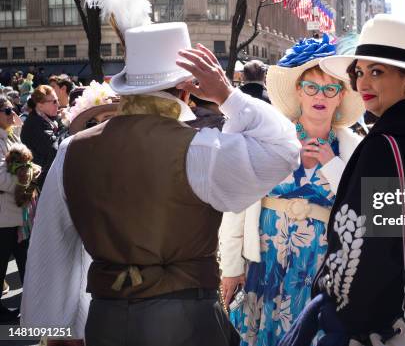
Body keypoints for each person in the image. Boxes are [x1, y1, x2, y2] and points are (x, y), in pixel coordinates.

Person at [21, 21, 301, 345]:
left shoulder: (73, 149)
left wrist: (55, 330)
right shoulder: (199, 149)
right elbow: (284, 149)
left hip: (107, 316)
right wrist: (226, 94)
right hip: (190, 319)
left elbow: (52, 246)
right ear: (186, 89)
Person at [280, 15, 405, 346]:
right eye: (359, 72)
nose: (363, 83)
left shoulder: (388, 146)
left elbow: (365, 252)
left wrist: (336, 308)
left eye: (377, 72)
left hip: (386, 329)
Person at [219, 35, 364, 346]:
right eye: (311, 86)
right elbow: (237, 205)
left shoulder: (353, 147)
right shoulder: (270, 139)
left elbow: (362, 208)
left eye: (330, 88)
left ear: (340, 97)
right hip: (264, 263)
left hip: (319, 269)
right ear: (299, 92)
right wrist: (231, 267)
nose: (319, 95)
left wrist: (331, 164)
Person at [0, 96, 31, 323]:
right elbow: (1, 178)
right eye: (8, 110)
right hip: (4, 215)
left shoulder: (8, 134)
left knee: (25, 260)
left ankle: (32, 304)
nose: (13, 114)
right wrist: (26, 179)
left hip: (16, 214)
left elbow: (23, 161)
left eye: (14, 109)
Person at [20, 85, 61, 186]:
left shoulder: (45, 118)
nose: (58, 104)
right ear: (40, 105)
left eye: (57, 100)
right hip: (43, 180)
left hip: (48, 174)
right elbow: (54, 149)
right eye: (54, 101)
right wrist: (65, 124)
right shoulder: (35, 123)